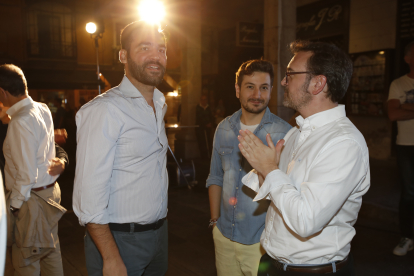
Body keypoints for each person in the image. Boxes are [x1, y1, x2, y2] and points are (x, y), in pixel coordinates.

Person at [238, 41, 369, 275]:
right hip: (271, 263)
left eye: (290, 74)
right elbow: (282, 196)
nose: (283, 82)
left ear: (318, 83)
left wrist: (270, 169)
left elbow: (306, 221)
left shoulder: (344, 143)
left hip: (312, 270)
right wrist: (263, 169)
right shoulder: (296, 131)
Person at [73, 20, 169, 276]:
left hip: (159, 235)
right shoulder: (104, 109)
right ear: (123, 55)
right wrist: (111, 256)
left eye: (161, 49)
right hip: (118, 240)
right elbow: (88, 196)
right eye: (145, 47)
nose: (156, 56)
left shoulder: (159, 103)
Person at [207, 59, 291, 276]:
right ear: (237, 90)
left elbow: (290, 191)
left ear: (271, 91)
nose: (257, 94)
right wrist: (215, 223)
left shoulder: (284, 133)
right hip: (224, 237)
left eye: (264, 88)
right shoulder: (224, 128)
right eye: (250, 87)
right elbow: (215, 177)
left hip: (261, 244)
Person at [0, 64, 66, 275]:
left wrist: (14, 207)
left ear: (2, 92)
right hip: (49, 194)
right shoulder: (42, 108)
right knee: (50, 254)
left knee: (25, 261)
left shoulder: (20, 121)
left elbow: (26, 174)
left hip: (32, 199)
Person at [388, 41, 414, 256]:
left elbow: (400, 110)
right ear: (407, 58)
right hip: (406, 146)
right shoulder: (398, 84)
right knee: (409, 193)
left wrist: (406, 106)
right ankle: (407, 236)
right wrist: (401, 108)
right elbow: (393, 114)